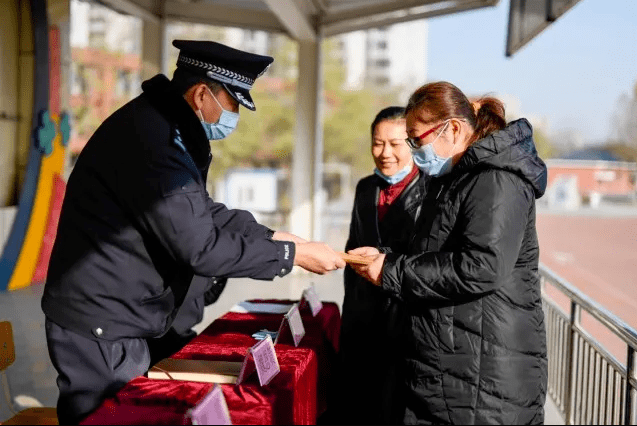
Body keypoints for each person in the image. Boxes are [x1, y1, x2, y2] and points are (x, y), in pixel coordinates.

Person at [41, 40, 345, 424]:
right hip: (102, 319)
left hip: (123, 312)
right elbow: (200, 246)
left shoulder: (165, 128)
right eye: (233, 105)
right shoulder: (154, 142)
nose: (234, 117)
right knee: (106, 418)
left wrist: (274, 237)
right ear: (202, 93)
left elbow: (202, 212)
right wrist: (291, 256)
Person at [349, 81, 548, 425]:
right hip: (453, 367)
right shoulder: (454, 178)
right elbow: (433, 251)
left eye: (415, 140)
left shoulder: (497, 179)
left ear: (453, 128)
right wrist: (384, 257)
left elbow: (482, 266)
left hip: (484, 377)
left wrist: (392, 270)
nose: (413, 150)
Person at [338, 106, 428, 424]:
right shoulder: (366, 188)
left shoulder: (432, 191)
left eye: (395, 143)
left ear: (413, 144)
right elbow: (353, 246)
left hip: (406, 325)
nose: (385, 153)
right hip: (363, 320)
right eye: (378, 143)